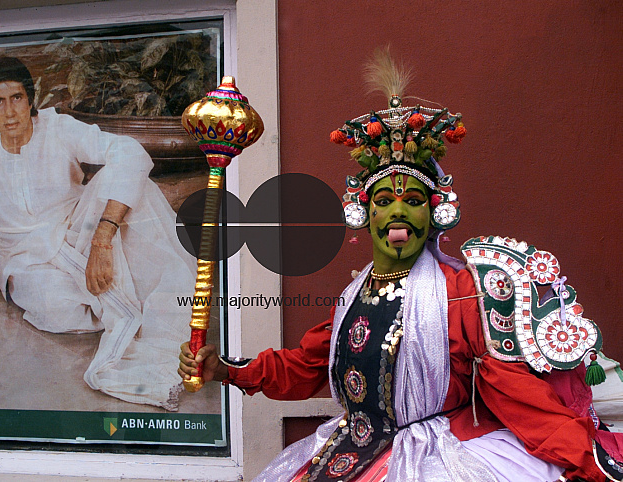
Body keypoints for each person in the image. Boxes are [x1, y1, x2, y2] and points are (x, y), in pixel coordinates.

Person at [179, 50, 623, 480]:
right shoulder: (354, 297)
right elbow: (304, 367)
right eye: (384, 200)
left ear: (433, 215)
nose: (397, 213)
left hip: (436, 455)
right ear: (364, 213)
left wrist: (592, 460)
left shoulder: (462, 293)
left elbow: (519, 397)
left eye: (412, 201)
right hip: (349, 449)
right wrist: (227, 371)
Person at [0, 57, 195, 410]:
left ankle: (141, 305)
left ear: (30, 100)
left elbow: (131, 152)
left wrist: (102, 238)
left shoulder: (58, 128)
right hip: (26, 260)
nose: (9, 112)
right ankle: (127, 302)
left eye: (16, 98)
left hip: (77, 228)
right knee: (56, 307)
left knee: (135, 183)